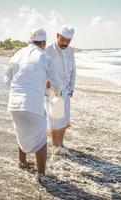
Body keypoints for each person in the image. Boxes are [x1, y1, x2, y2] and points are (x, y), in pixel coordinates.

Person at [4, 28, 63, 180]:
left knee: (21, 131)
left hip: (14, 103)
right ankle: (41, 174)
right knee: (41, 140)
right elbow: (56, 81)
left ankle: (22, 162)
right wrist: (57, 91)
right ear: (43, 43)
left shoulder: (17, 54)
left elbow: (7, 80)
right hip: (33, 104)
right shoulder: (44, 56)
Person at [45, 25, 76, 154]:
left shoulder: (70, 51)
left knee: (64, 119)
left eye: (68, 41)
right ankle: (55, 147)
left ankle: (61, 144)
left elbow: (73, 70)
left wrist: (72, 87)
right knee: (55, 120)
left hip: (66, 89)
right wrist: (44, 82)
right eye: (62, 39)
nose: (65, 43)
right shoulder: (48, 49)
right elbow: (42, 68)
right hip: (53, 90)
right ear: (57, 36)